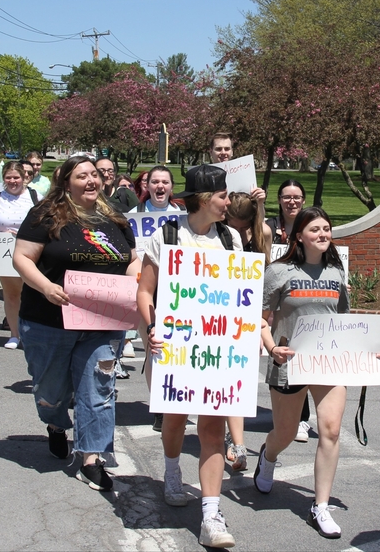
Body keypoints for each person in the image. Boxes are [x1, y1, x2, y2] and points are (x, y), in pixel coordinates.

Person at [12, 154, 138, 491]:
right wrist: (46, 286)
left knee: (99, 389)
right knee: (51, 389)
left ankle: (91, 458)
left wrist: (138, 278)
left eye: (94, 175)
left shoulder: (115, 219)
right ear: (66, 181)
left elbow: (131, 261)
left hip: (105, 321)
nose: (91, 181)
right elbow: (22, 257)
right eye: (82, 176)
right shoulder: (45, 216)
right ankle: (55, 423)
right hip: (48, 320)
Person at [136, 164, 242, 549]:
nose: (228, 202)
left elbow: (237, 296)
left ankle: (211, 515)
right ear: (201, 199)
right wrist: (151, 329)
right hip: (175, 346)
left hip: (216, 348)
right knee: (176, 419)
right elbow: (146, 292)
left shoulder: (230, 239)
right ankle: (171, 471)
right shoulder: (166, 236)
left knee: (213, 429)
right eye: (222, 196)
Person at [254, 207, 373, 540]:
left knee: (331, 430)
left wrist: (366, 351)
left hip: (328, 363)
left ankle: (319, 506)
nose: (323, 234)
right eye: (316, 229)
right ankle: (269, 455)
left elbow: (346, 323)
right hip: (289, 362)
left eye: (327, 229)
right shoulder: (278, 272)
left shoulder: (336, 273)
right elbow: (261, 320)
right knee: (286, 432)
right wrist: (271, 347)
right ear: (299, 237)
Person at [221, 191, 273, 473]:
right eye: (233, 223)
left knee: (241, 376)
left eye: (243, 226)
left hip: (248, 310)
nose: (238, 230)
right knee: (226, 374)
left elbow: (265, 273)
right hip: (220, 309)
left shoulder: (262, 231)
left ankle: (234, 438)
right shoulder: (220, 233)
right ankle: (233, 438)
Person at [264, 179, 314, 442]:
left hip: (303, 298)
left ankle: (303, 419)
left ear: (303, 200)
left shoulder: (311, 225)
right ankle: (285, 417)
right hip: (274, 295)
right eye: (286, 197)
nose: (291, 201)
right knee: (281, 354)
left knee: (303, 355)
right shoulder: (270, 227)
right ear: (279, 200)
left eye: (296, 197)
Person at [0, 162, 38, 349]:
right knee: (12, 294)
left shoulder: (36, 197)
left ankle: (34, 334)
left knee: (34, 293)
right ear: (3, 178)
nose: (13, 181)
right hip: (5, 252)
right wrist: (1, 235)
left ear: (24, 177)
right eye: (8, 177)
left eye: (16, 177)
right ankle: (15, 334)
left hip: (31, 251)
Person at [209, 132, 265, 204]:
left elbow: (257, 214)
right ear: (211, 151)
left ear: (232, 152)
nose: (223, 152)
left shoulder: (245, 176)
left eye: (227, 149)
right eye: (219, 149)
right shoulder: (201, 177)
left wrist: (260, 203)